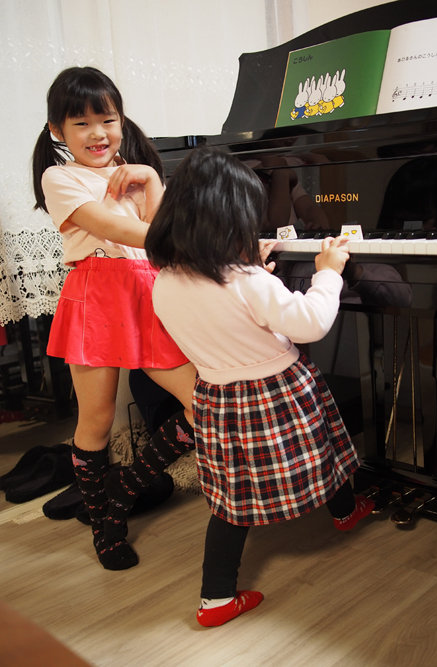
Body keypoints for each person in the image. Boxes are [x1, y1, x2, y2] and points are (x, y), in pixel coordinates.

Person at [144, 146, 374, 627]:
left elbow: (219, 316)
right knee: (324, 452)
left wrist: (253, 275)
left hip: (218, 399)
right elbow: (310, 322)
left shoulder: (165, 282)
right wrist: (327, 273)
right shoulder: (248, 281)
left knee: (232, 497)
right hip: (278, 392)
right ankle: (345, 511)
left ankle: (216, 599)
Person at [32, 66, 198, 571]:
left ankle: (125, 488)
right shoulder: (60, 177)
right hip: (96, 296)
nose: (97, 133)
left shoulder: (136, 172)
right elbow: (120, 229)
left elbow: (159, 233)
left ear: (121, 120)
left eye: (106, 120)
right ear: (58, 130)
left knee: (205, 405)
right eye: (81, 123)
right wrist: (203, 240)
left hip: (149, 292)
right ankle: (106, 526)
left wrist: (152, 179)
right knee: (97, 418)